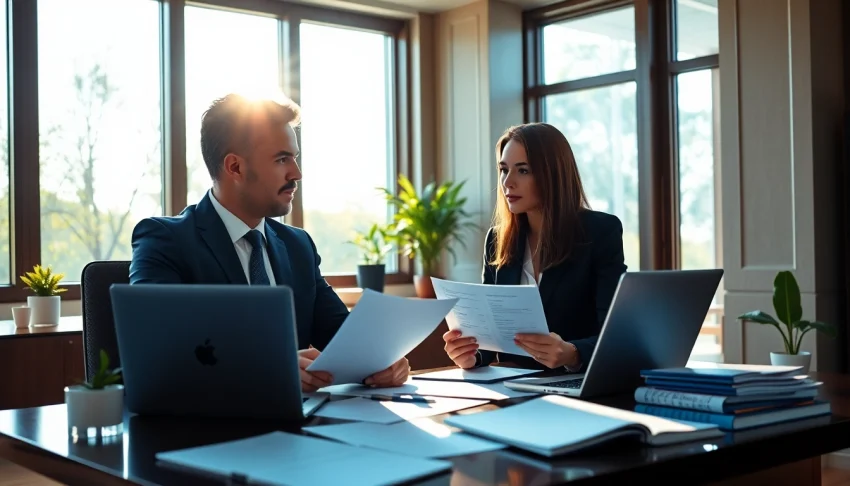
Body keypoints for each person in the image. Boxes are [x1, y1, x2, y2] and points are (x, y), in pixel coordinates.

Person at [129, 93, 410, 392]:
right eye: (281, 159)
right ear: (235, 167)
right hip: (210, 417)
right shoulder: (165, 240)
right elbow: (157, 347)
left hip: (305, 417)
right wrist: (271, 368)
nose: (297, 174)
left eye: (295, 158)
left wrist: (381, 361)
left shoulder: (298, 246)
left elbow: (344, 340)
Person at [442, 123, 627, 372]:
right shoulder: (497, 239)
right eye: (504, 170)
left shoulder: (600, 232)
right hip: (513, 384)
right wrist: (471, 355)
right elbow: (490, 337)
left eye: (523, 170)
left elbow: (616, 337)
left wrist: (572, 354)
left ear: (553, 174)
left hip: (576, 383)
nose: (508, 182)